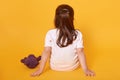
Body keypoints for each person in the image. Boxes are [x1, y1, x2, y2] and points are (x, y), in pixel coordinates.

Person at [31, 4, 95, 77]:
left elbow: (46, 51)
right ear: (72, 19)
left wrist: (40, 69)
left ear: (56, 19)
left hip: (54, 67)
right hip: (72, 67)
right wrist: (86, 69)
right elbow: (80, 52)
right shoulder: (78, 34)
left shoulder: (50, 33)